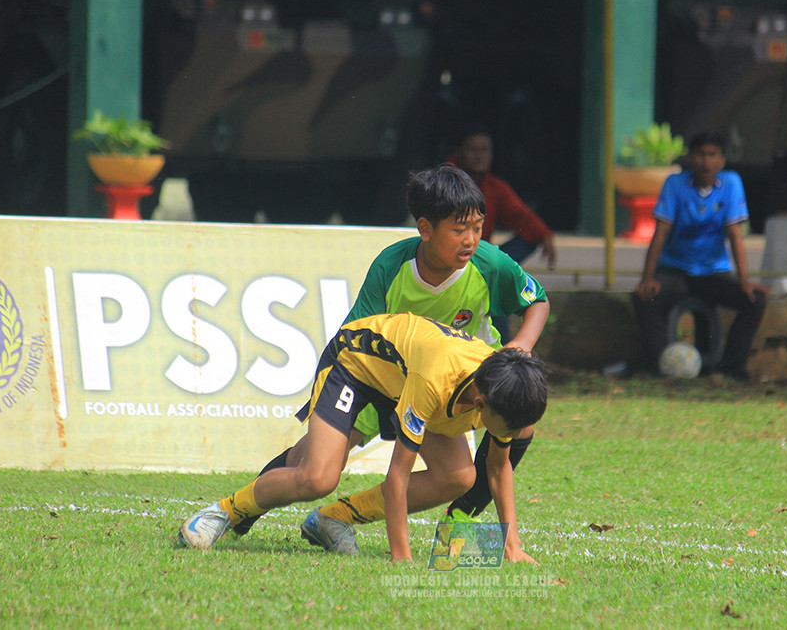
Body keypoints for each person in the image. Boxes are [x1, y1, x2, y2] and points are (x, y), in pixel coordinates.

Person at [231, 164, 550, 546]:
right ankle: (240, 508)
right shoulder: (391, 267)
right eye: (459, 229)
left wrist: (521, 346)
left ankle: (456, 521)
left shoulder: (490, 263)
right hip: (379, 375)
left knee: (513, 430)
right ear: (425, 228)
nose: (470, 240)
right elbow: (356, 341)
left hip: (451, 383)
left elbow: (538, 302)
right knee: (313, 467)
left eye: (477, 228)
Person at [178, 312, 548, 563]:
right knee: (317, 477)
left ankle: (333, 519)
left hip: (400, 377)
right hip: (355, 362)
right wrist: (401, 558)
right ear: (481, 403)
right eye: (513, 428)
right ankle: (223, 511)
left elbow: (498, 469)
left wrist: (511, 543)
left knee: (460, 476)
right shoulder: (437, 380)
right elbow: (397, 476)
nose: (518, 435)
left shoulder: (500, 388)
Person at [632, 132, 769, 380]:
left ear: (722, 161)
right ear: (691, 159)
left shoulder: (730, 184)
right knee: (644, 298)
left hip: (713, 272)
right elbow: (660, 233)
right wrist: (648, 277)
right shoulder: (675, 184)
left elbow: (735, 235)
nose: (706, 162)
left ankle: (731, 369)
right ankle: (662, 365)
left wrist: (744, 281)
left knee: (755, 301)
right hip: (676, 270)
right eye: (700, 154)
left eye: (712, 155)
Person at [449, 122, 556, 341]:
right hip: (448, 259)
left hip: (480, 260)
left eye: (485, 149)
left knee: (495, 283)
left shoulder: (493, 187)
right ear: (459, 152)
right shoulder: (445, 182)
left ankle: (504, 356)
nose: (480, 155)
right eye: (473, 149)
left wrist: (545, 236)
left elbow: (521, 216)